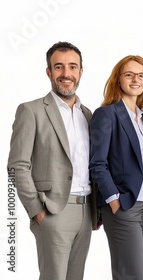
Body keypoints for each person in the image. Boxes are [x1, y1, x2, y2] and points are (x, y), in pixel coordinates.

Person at [7, 41, 99, 280]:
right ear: (49, 72)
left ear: (81, 71)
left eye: (72, 67)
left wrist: (95, 211)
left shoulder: (87, 115)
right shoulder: (31, 110)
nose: (66, 74)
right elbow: (17, 165)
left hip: (86, 211)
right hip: (53, 210)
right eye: (59, 67)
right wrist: (37, 210)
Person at [89, 55, 143, 280]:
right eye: (129, 74)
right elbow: (97, 163)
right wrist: (114, 199)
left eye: (141, 75)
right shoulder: (106, 114)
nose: (136, 79)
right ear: (118, 79)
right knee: (132, 275)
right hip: (124, 204)